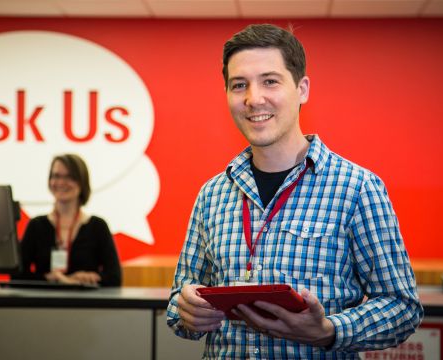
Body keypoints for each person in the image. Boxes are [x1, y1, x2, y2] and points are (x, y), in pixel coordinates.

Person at [166, 24, 423, 358]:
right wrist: (186, 312)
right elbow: (178, 304)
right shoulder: (212, 194)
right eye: (238, 85)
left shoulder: (357, 188)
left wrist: (330, 331)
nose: (253, 98)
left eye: (270, 81)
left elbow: (402, 308)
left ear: (302, 89)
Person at [19, 154, 121, 287]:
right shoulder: (36, 225)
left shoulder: (98, 227)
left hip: (86, 305)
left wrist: (86, 278)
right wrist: (49, 279)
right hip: (44, 304)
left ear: (82, 182)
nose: (61, 182)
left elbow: (115, 277)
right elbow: (18, 275)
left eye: (69, 177)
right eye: (56, 176)